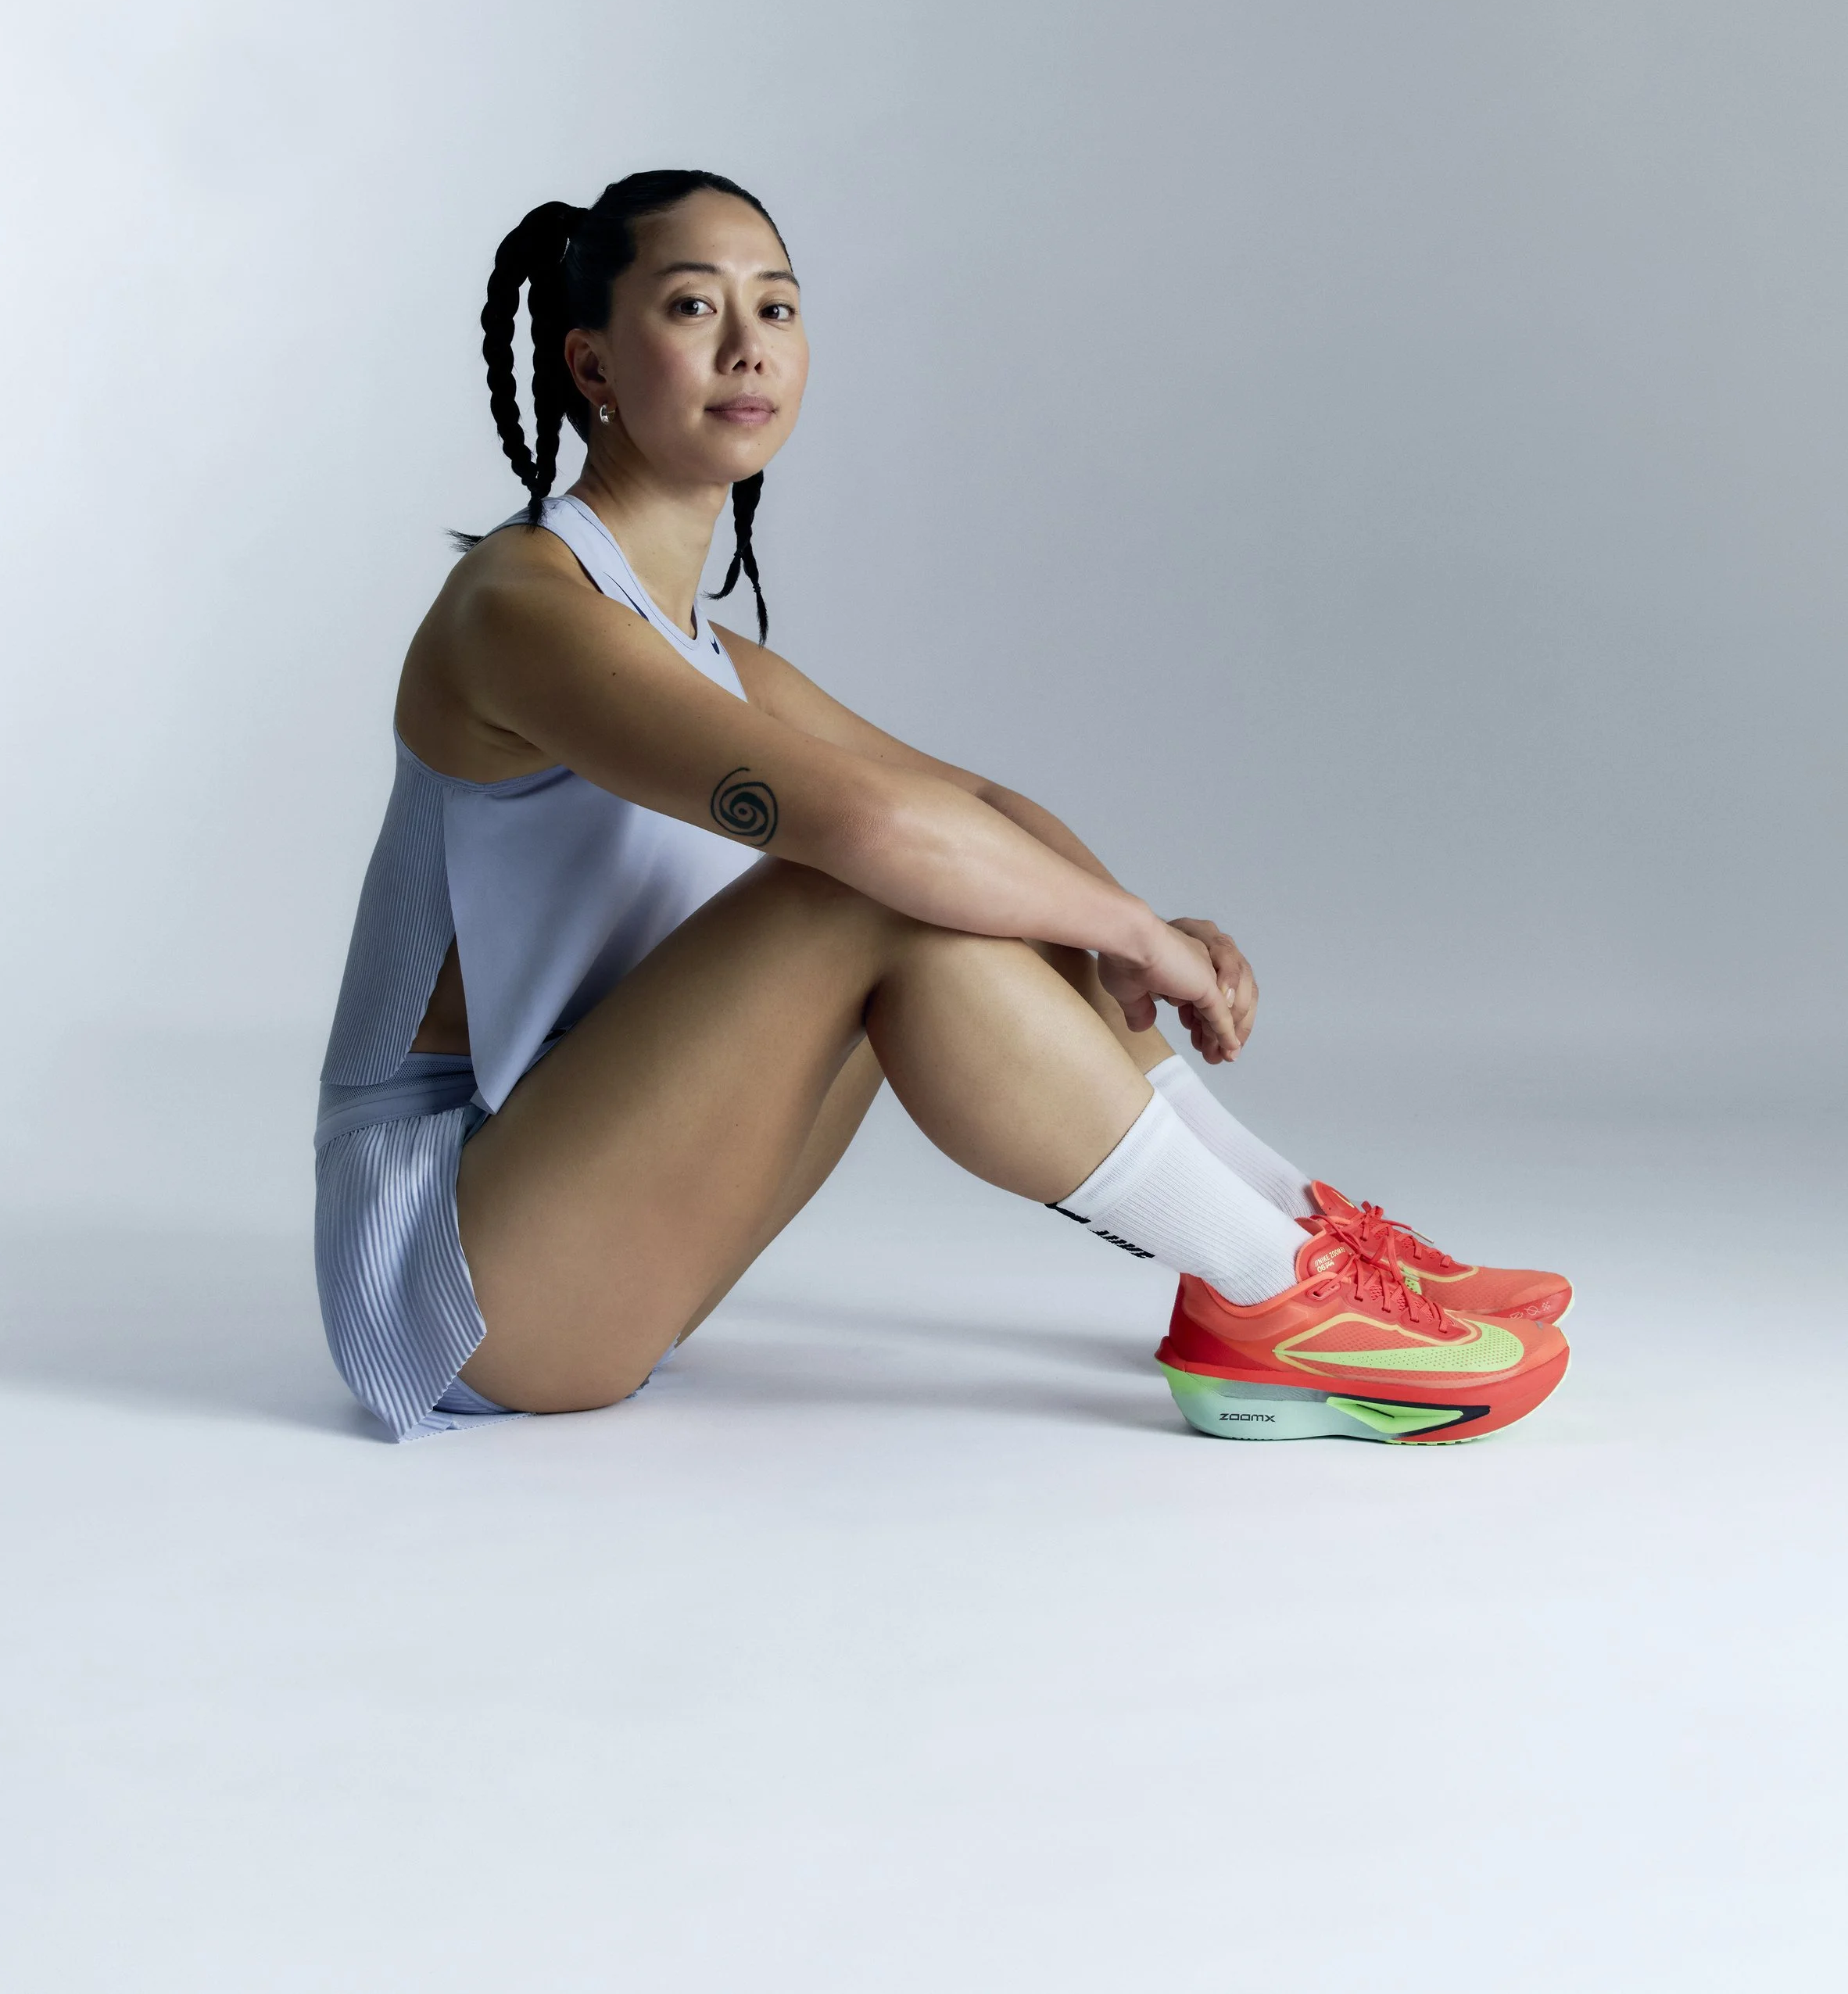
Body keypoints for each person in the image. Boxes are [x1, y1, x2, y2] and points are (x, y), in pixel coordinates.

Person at [315, 170, 1570, 1445]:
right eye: (694, 307)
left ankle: (1292, 1235)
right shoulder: (519, 610)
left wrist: (1133, 924)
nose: (751, 346)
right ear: (591, 363)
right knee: (869, 883)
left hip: (593, 1225)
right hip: (450, 1276)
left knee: (966, 856)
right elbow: (874, 838)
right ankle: (1271, 1300)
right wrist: (1144, 947)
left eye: (780, 308)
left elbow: (970, 804)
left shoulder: (708, 654)